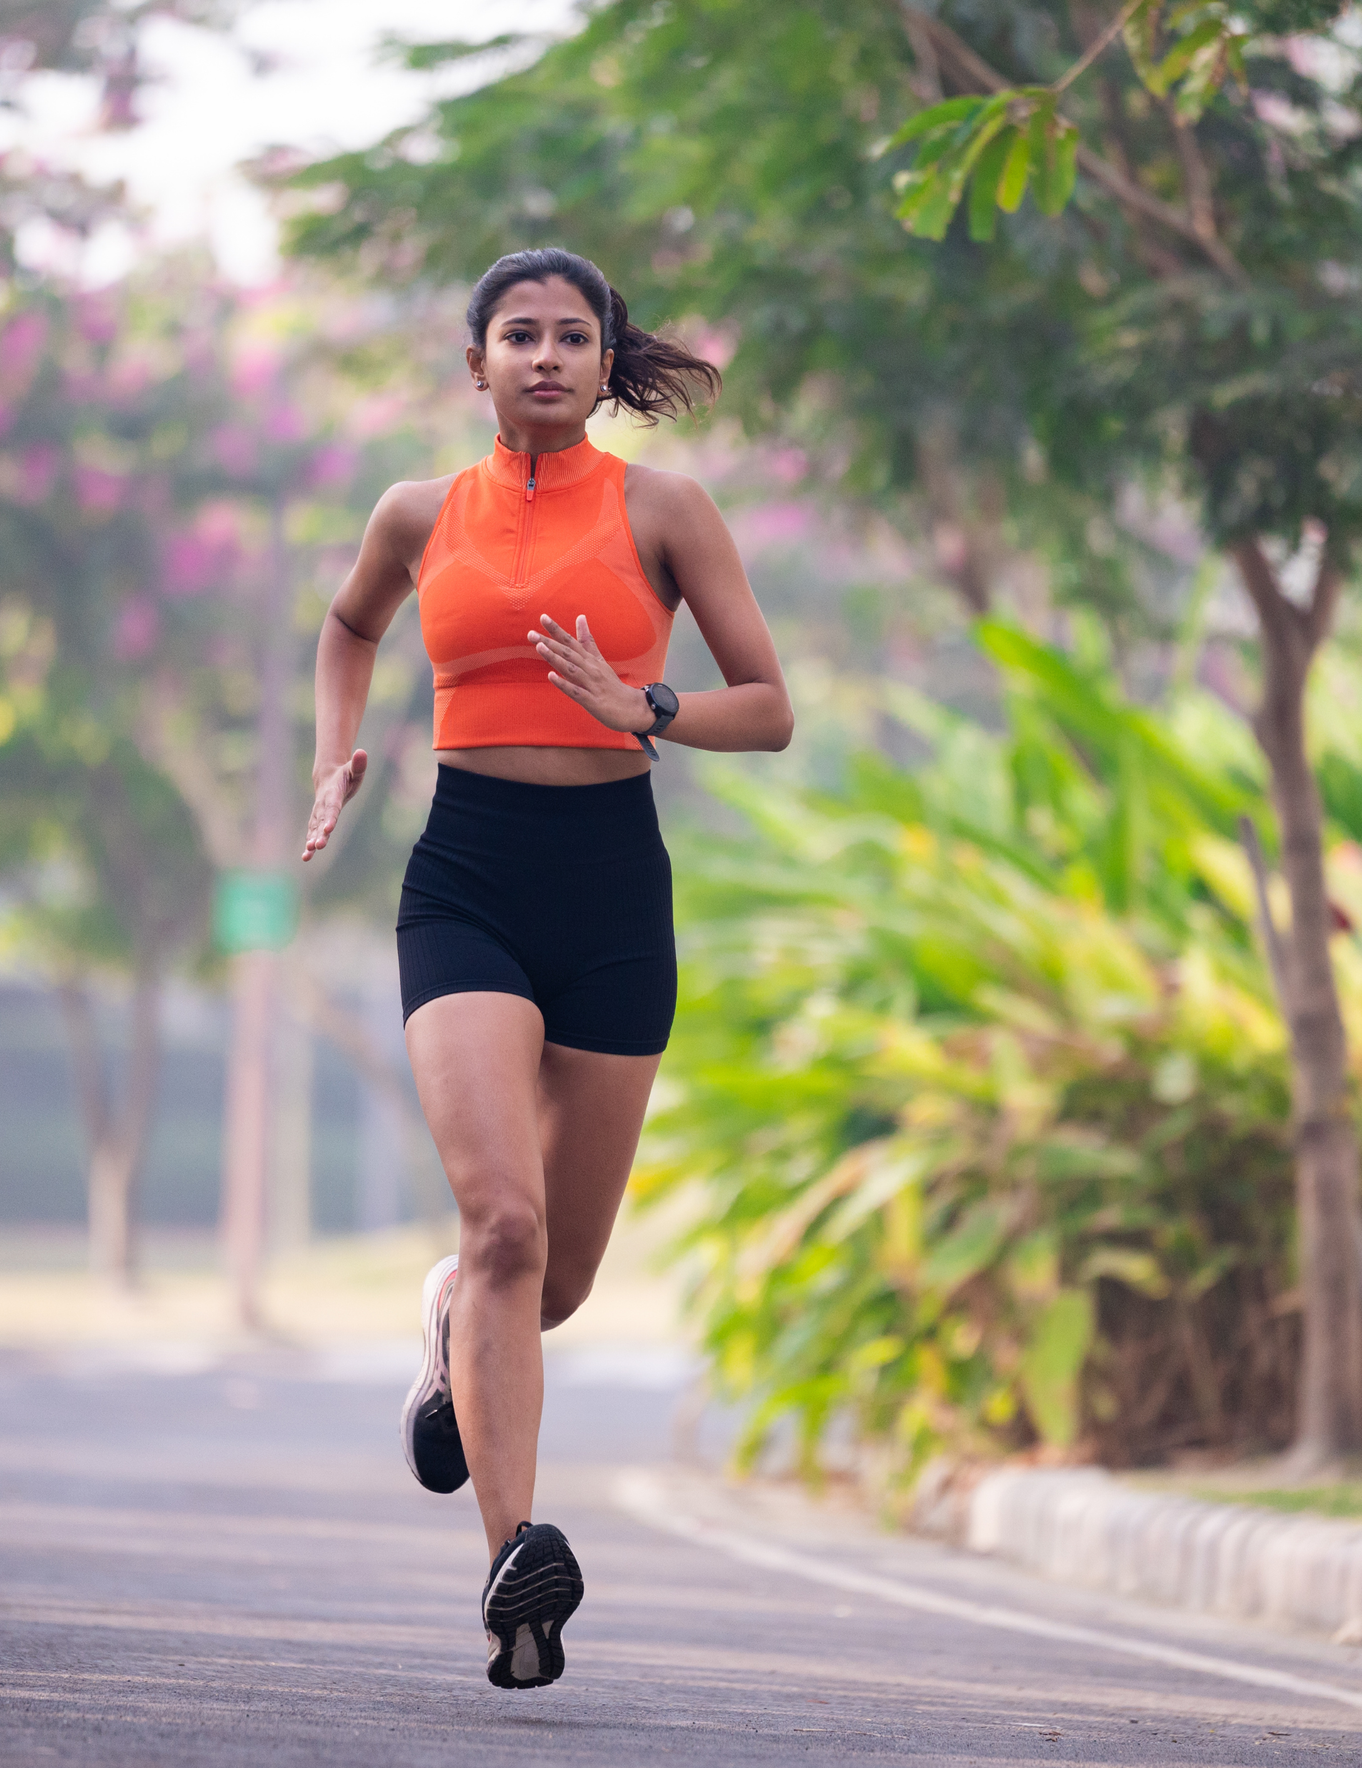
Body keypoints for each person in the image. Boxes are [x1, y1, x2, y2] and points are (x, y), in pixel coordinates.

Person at [302, 247, 794, 1689]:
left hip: (613, 894)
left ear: (602, 363)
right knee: (502, 1217)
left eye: (573, 338)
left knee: (552, 1279)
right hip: (467, 879)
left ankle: (454, 1319)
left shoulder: (665, 512)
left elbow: (768, 709)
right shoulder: (415, 514)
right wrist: (333, 753)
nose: (546, 357)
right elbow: (347, 627)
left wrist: (648, 703)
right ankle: (518, 1560)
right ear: (476, 365)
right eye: (518, 335)